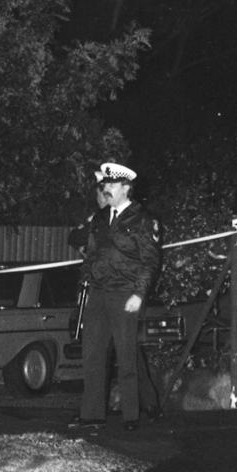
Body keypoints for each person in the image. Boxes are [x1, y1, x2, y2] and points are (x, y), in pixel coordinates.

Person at [67, 162, 161, 432]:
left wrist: (139, 294)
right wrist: (85, 282)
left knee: (126, 355)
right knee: (93, 355)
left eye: (110, 185)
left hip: (124, 294)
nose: (105, 188)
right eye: (104, 185)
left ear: (125, 188)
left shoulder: (142, 219)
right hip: (98, 293)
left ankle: (131, 416)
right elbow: (85, 246)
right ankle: (92, 414)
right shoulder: (99, 219)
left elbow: (150, 261)